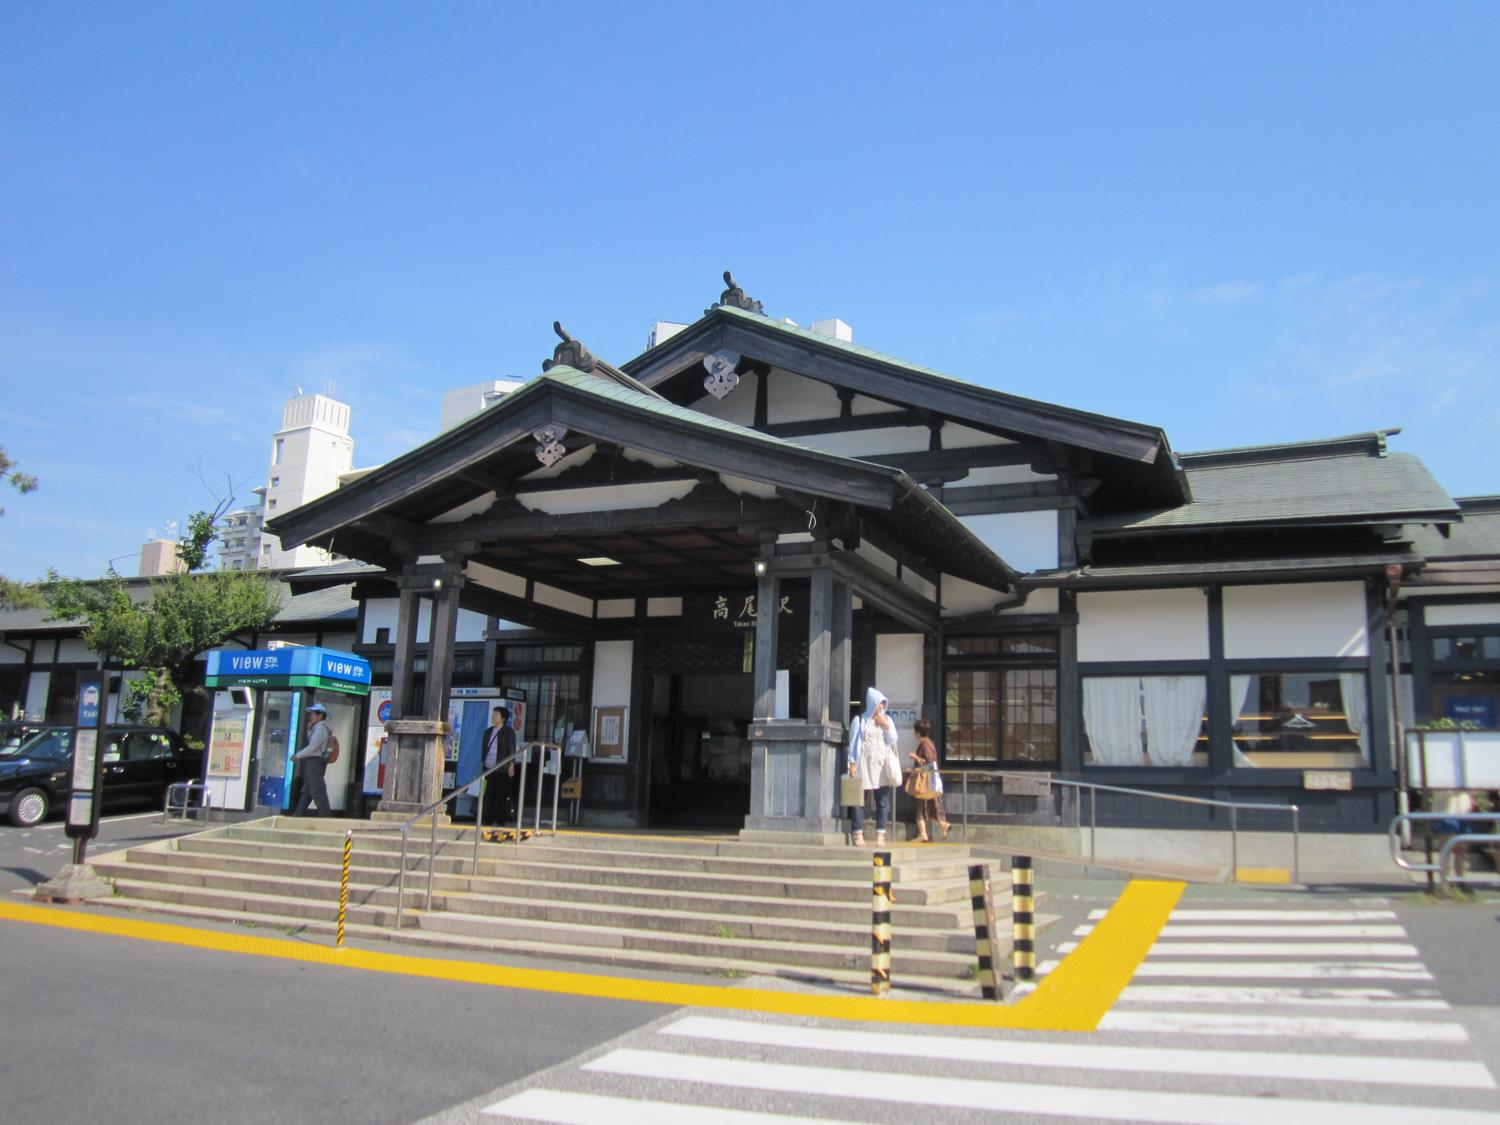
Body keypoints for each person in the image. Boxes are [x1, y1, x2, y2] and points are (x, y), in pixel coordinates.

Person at [846, 687, 902, 846]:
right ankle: (857, 833)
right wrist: (852, 762)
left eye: (884, 704)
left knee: (882, 801)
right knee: (859, 800)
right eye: (879, 704)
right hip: (864, 762)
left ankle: (881, 833)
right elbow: (854, 743)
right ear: (872, 704)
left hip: (881, 764)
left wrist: (886, 725)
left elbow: (893, 740)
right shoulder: (860, 720)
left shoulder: (887, 720)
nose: (882, 707)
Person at [908, 718, 951, 842]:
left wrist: (915, 757)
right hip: (929, 780)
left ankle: (924, 834)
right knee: (931, 806)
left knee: (920, 807)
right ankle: (943, 825)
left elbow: (928, 763)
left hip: (924, 781)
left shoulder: (925, 745)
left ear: (918, 732)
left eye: (915, 731)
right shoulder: (929, 743)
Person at [292, 702, 333, 816]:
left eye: (313, 714)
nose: (311, 716)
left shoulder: (320, 728)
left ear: (320, 716)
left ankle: (325, 816)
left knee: (317, 790)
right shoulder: (318, 728)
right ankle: (298, 815)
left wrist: (297, 755)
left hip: (315, 761)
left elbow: (312, 747)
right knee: (307, 791)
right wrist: (309, 730)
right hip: (314, 761)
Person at [480, 705, 516, 826]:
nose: (493, 717)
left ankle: (501, 818)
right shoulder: (488, 731)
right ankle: (487, 818)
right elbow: (484, 748)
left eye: (496, 715)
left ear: (503, 718)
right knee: (488, 793)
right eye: (493, 714)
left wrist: (511, 765)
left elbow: (512, 749)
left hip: (502, 767)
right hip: (488, 766)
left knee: (501, 793)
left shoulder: (508, 732)